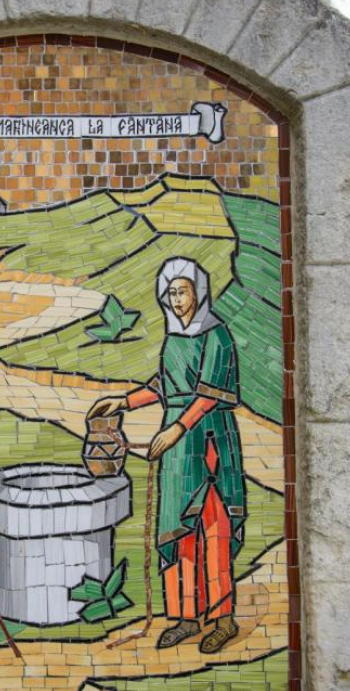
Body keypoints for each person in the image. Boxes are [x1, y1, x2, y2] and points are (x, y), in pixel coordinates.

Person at [88, 257, 246, 654]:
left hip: (208, 441)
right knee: (178, 530)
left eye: (183, 291)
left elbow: (208, 395)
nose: (177, 300)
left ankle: (223, 619)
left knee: (213, 528)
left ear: (199, 292)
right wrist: (124, 401)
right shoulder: (174, 337)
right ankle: (185, 616)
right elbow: (166, 385)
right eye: (171, 293)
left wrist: (175, 429)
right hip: (176, 450)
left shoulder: (218, 336)